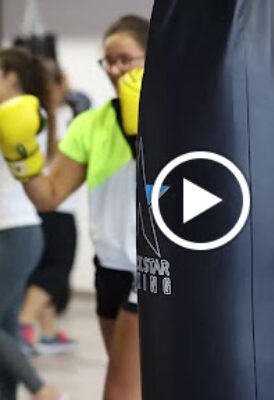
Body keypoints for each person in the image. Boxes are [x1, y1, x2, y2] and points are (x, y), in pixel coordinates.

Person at [0, 15, 149, 400]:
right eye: (108, 61)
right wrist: (23, 156)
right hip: (110, 265)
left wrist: (144, 126)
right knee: (135, 382)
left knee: (120, 390)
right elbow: (48, 195)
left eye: (125, 60)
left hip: (151, 266)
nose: (115, 70)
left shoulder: (181, 117)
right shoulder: (91, 124)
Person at [0, 47, 65, 400]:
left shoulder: (25, 113)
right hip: (13, 230)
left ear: (11, 76)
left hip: (15, 231)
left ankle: (42, 389)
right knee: (6, 326)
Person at [20, 62, 86, 356]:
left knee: (42, 270)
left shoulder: (31, 114)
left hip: (37, 205)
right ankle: (24, 324)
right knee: (56, 272)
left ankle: (49, 332)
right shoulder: (61, 116)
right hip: (58, 205)